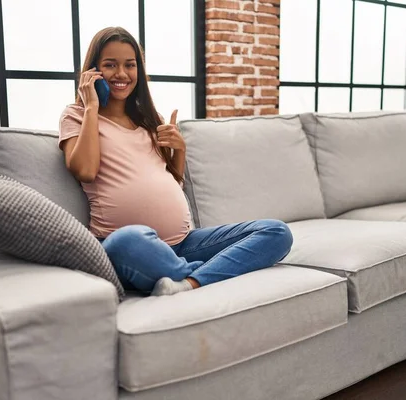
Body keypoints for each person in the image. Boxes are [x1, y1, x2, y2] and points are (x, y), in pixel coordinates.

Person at [58, 27, 293, 296]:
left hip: (185, 242)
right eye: (110, 65)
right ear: (93, 72)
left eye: (130, 65)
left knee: (276, 232)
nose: (121, 74)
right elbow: (85, 170)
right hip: (131, 245)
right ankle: (209, 270)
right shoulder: (76, 115)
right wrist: (91, 107)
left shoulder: (148, 118)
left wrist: (179, 150)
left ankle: (187, 282)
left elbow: (172, 184)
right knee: (125, 242)